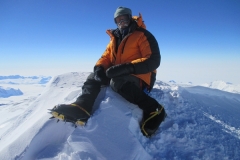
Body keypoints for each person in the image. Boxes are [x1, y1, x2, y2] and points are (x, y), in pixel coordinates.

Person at [50, 7, 166, 137]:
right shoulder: (114, 38)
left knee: (117, 82)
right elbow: (105, 57)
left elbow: (153, 59)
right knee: (93, 76)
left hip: (141, 75)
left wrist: (127, 68)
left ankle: (154, 109)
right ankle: (82, 107)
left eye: (124, 19)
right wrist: (99, 68)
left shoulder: (142, 35)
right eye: (118, 20)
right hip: (119, 72)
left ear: (130, 18)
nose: (122, 22)